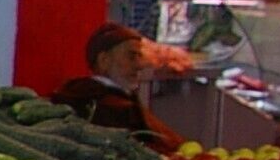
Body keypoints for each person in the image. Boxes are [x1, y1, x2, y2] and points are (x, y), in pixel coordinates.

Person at [53, 23, 183, 144]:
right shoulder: (110, 107)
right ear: (104, 60)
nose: (139, 65)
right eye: (131, 57)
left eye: (140, 57)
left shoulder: (74, 95)